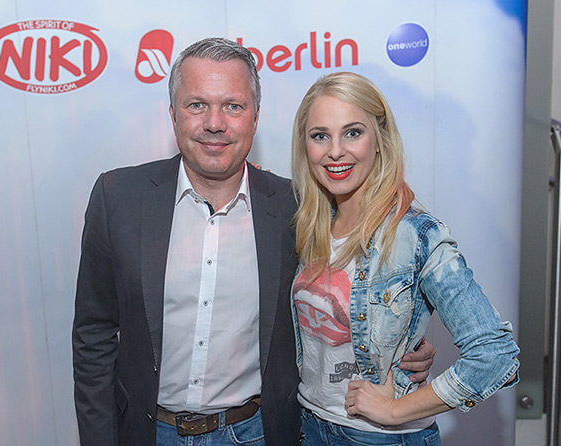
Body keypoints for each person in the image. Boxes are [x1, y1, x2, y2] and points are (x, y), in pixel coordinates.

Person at [72, 38, 435, 446]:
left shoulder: (300, 209)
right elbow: (93, 334)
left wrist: (405, 342)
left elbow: (349, 296)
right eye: (197, 105)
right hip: (148, 432)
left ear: (255, 117)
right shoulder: (118, 198)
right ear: (173, 113)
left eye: (233, 106)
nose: (214, 123)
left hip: (257, 433)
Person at [290, 72, 520, 445]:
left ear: (380, 140)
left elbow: (495, 354)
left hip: (379, 438)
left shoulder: (416, 235)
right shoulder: (309, 224)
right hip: (309, 426)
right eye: (320, 136)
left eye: (352, 133)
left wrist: (394, 410)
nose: (335, 151)